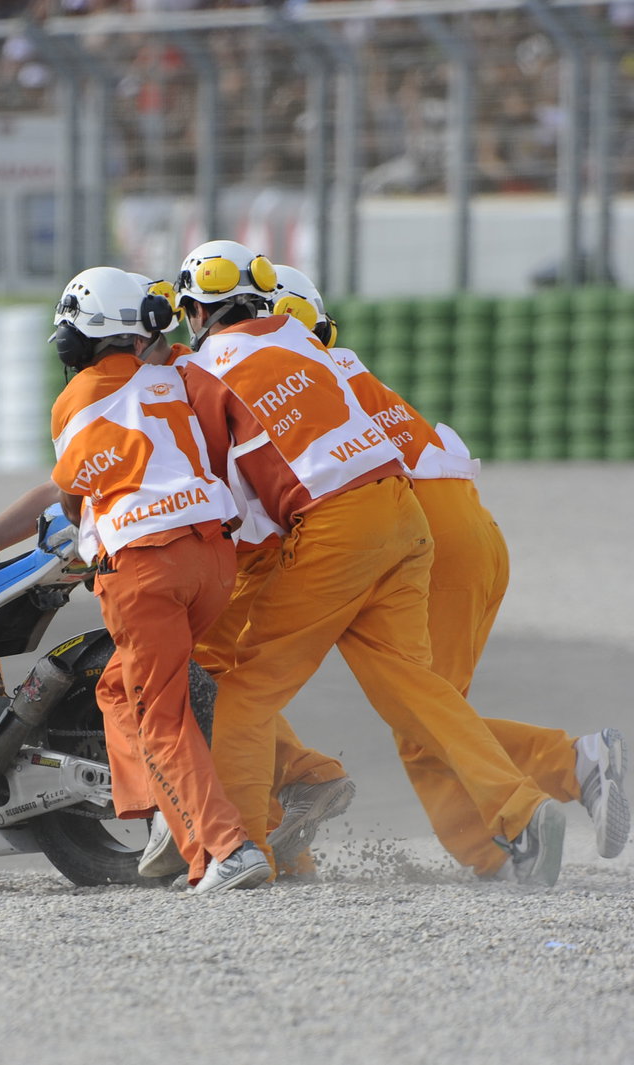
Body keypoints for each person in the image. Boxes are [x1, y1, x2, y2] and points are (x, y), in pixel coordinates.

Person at [172, 238, 568, 887]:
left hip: (335, 530)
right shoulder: (307, 343)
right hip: (403, 515)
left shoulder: (204, 371)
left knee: (244, 689)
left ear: (195, 310)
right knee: (417, 692)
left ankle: (243, 854)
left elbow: (229, 492)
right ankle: (522, 808)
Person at [257, 265, 629, 876]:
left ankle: (571, 767)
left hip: (420, 542)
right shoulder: (339, 370)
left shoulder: (282, 382)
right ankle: (500, 854)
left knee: (426, 718)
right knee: (427, 717)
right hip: (464, 530)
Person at [45, 266, 269, 893]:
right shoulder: (171, 375)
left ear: (75, 339)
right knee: (119, 689)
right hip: (212, 559)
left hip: (144, 568)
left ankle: (225, 847)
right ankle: (172, 817)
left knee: (161, 718)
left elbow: (71, 493)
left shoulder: (76, 397)